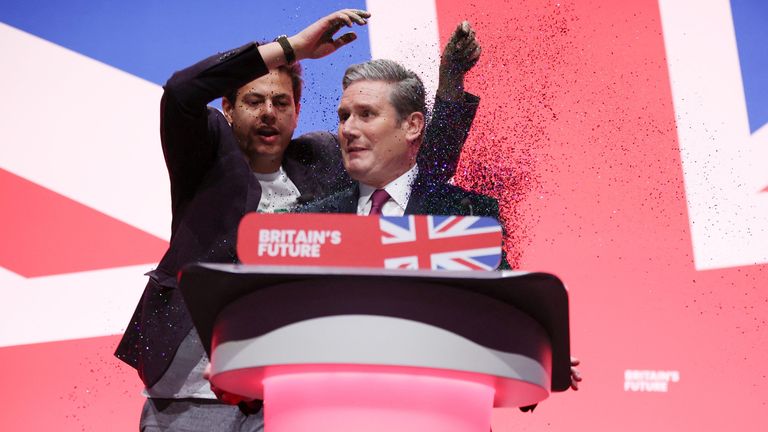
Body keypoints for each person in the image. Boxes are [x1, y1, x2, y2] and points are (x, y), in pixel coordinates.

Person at [114, 8, 484, 432]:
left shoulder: (323, 157)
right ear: (228, 108)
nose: (269, 112)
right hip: (188, 397)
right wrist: (294, 49)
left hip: (289, 391)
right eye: (254, 101)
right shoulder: (205, 156)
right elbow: (181, 91)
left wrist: (451, 85)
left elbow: (421, 174)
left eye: (281, 102)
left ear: (297, 110)